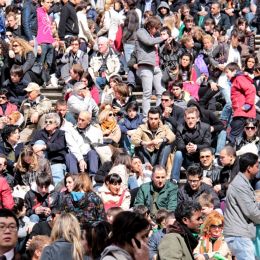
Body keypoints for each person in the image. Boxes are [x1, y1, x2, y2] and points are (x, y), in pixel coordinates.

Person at [224, 153, 260, 260]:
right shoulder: (240, 185)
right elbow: (252, 212)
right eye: (257, 166)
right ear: (249, 168)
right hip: (239, 235)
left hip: (241, 235)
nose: (258, 169)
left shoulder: (243, 183)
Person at [136, 16, 167, 117]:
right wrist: (162, 38)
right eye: (156, 28)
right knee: (147, 93)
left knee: (160, 93)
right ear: (150, 26)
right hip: (146, 65)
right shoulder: (141, 31)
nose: (157, 30)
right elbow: (148, 41)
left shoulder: (154, 36)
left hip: (157, 66)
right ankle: (146, 116)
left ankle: (159, 115)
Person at [171, 106, 211, 183]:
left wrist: (196, 147)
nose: (190, 121)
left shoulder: (205, 127)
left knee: (208, 151)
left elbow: (207, 144)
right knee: (178, 153)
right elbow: (179, 145)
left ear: (197, 119)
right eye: (188, 118)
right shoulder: (180, 128)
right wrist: (186, 148)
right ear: (185, 119)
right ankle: (174, 180)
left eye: (193, 118)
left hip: (200, 158)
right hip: (186, 158)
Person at [224, 62, 256, 143]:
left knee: (232, 137)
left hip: (242, 113)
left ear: (234, 71)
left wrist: (247, 105)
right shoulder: (236, 80)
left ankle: (229, 154)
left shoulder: (239, 78)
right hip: (242, 113)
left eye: (227, 72)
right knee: (240, 138)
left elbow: (250, 90)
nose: (226, 75)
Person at [31, 113, 67, 186]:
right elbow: (32, 145)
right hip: (41, 161)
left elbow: (59, 145)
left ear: (56, 124)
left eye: (50, 122)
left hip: (55, 161)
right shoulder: (39, 133)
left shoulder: (61, 133)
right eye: (46, 122)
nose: (47, 124)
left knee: (57, 184)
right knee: (39, 142)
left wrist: (45, 147)